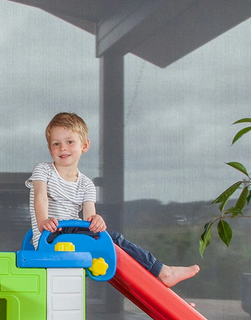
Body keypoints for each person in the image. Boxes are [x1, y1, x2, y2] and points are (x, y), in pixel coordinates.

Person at [28, 112, 200, 287]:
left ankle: (161, 280)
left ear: (84, 145)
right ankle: (163, 271)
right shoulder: (44, 170)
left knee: (107, 239)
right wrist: (43, 222)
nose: (62, 148)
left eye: (69, 142)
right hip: (50, 237)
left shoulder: (86, 184)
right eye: (56, 144)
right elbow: (40, 197)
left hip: (73, 236)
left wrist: (96, 220)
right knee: (114, 239)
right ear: (50, 149)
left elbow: (89, 221)